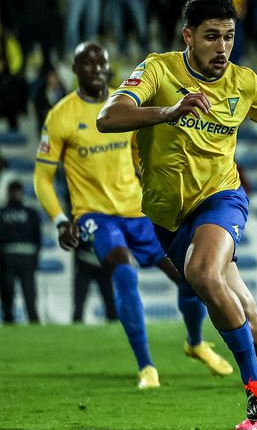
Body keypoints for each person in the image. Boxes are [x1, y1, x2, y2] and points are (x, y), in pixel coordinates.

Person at [96, 0, 257, 430]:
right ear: (188, 36)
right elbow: (108, 117)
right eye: (211, 37)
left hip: (222, 198)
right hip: (168, 217)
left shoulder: (244, 82)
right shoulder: (159, 69)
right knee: (247, 319)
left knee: (202, 273)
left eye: (229, 37)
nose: (222, 48)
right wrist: (168, 111)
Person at [34, 42, 234, 388]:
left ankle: (195, 342)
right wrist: (61, 220)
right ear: (75, 70)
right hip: (95, 215)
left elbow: (140, 156)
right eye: (89, 64)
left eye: (103, 63)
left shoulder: (125, 105)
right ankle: (147, 367)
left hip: (138, 211)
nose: (97, 69)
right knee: (123, 272)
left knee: (191, 277)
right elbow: (42, 178)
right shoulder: (61, 115)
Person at [0, 181, 41, 324]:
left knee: (21, 294)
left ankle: (25, 322)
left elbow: (37, 238)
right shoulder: (31, 213)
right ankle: (30, 323)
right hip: (19, 257)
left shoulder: (3, 213)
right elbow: (37, 239)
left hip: (10, 257)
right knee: (13, 293)